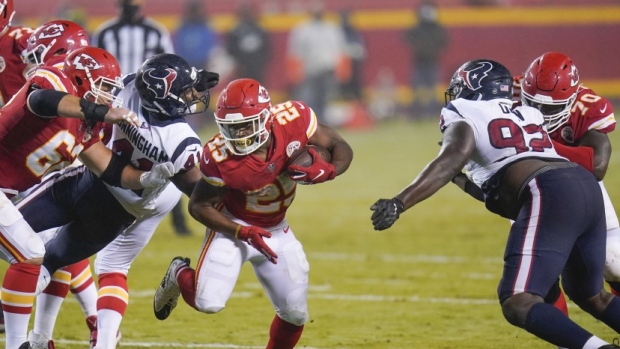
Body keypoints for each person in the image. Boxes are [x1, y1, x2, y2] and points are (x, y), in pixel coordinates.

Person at [370, 58, 620, 349]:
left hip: (549, 191)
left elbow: (450, 160)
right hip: (584, 187)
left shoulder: (464, 112)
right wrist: (463, 182)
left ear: (472, 90)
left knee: (518, 300)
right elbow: (503, 188)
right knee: (591, 295)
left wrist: (400, 202)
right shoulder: (526, 114)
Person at [16, 53, 219, 349]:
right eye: (185, 91)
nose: (191, 97)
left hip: (97, 176)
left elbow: (93, 94)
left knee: (26, 238)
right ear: (163, 95)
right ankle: (99, 343)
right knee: (106, 265)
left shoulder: (127, 87)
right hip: (136, 203)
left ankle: (28, 333)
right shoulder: (182, 140)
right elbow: (198, 194)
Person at [152, 78, 353, 349]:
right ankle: (179, 273)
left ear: (266, 117)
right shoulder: (219, 155)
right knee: (207, 302)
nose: (238, 135)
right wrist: (241, 231)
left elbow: (339, 145)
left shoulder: (294, 120)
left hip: (275, 228)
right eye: (231, 128)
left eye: (245, 125)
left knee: (295, 314)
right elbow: (199, 206)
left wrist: (330, 171)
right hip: (234, 225)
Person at [0, 34, 173, 349]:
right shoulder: (52, 80)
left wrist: (148, 179)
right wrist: (100, 112)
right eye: (105, 88)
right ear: (81, 78)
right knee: (30, 254)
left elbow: (111, 169)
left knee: (38, 254)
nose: (109, 98)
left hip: (7, 193)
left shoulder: (86, 125)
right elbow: (41, 101)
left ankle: (30, 341)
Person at [517, 51, 619, 313]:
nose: (539, 113)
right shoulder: (509, 91)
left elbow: (597, 166)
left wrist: (541, 143)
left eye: (548, 107)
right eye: (531, 104)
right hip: (527, 186)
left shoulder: (587, 106)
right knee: (541, 275)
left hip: (580, 184)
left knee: (614, 261)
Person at [92, 0, 191, 237]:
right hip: (114, 102)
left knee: (164, 158)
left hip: (150, 104)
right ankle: (103, 212)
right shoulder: (105, 32)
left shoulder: (156, 31)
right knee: (107, 152)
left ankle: (178, 221)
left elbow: (172, 69)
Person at [286, 0, 348, 125]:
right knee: (309, 100)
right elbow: (295, 53)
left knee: (326, 100)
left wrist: (341, 70)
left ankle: (324, 125)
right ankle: (308, 125)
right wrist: (296, 72)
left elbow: (340, 50)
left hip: (328, 69)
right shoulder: (303, 29)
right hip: (310, 71)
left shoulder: (331, 28)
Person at [402, 0, 448, 119]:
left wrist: (431, 50)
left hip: (432, 62)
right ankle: (416, 112)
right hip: (419, 62)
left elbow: (444, 42)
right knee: (416, 88)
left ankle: (431, 112)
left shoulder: (438, 28)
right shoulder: (416, 28)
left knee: (432, 89)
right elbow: (407, 38)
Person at [225, 1, 270, 82]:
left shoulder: (259, 28)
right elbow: (230, 49)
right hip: (241, 68)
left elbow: (267, 48)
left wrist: (260, 62)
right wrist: (237, 63)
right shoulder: (235, 30)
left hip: (257, 67)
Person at [173, 0, 217, 71]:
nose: (195, 13)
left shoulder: (207, 25)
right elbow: (177, 44)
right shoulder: (182, 25)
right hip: (187, 61)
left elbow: (213, 43)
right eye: (193, 10)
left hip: (203, 61)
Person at [338, 10, 365, 101]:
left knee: (354, 86)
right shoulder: (337, 31)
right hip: (341, 68)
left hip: (353, 65)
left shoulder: (353, 31)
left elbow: (360, 50)